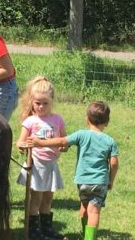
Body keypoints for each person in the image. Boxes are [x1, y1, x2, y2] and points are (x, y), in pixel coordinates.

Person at [28, 101, 119, 240]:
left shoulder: (81, 134)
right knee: (94, 212)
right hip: (100, 182)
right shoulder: (110, 141)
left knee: (84, 206)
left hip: (82, 181)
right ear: (107, 122)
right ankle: (89, 238)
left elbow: (62, 141)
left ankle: (84, 231)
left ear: (87, 119)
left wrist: (40, 143)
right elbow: (114, 163)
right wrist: (110, 180)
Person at [16, 76, 67, 240]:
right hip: (36, 164)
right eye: (37, 103)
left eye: (45, 103)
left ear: (52, 101)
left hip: (51, 165)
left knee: (48, 197)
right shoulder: (30, 121)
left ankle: (46, 228)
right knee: (36, 197)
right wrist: (24, 146)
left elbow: (64, 141)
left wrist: (63, 146)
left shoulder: (57, 120)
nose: (41, 106)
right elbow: (20, 142)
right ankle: (34, 230)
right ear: (32, 101)